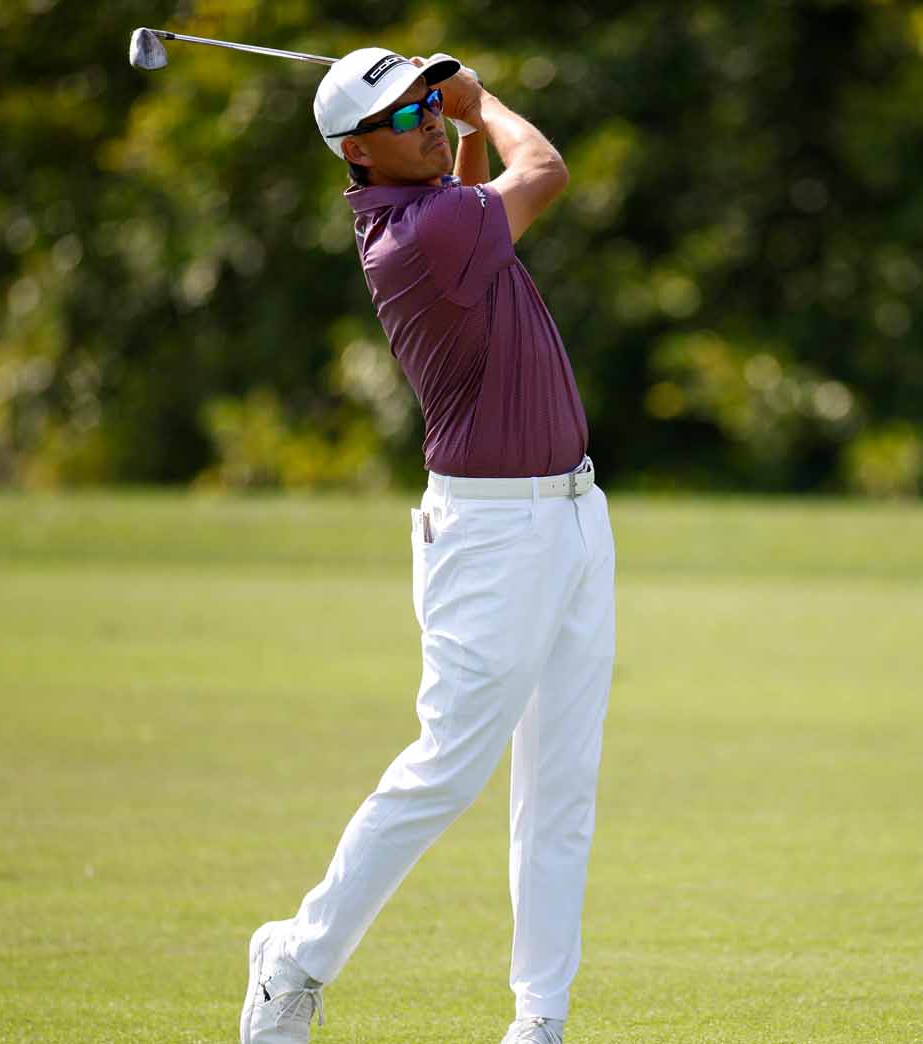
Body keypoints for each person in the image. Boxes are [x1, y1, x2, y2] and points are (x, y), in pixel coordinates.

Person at [238, 46, 615, 1044]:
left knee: (560, 783)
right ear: (356, 154)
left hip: (575, 516)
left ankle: (538, 1021)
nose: (433, 125)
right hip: (491, 535)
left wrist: (448, 102)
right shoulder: (424, 230)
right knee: (448, 765)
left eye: (430, 106)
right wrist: (482, 98)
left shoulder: (440, 202)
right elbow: (544, 171)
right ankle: (293, 962)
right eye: (408, 118)